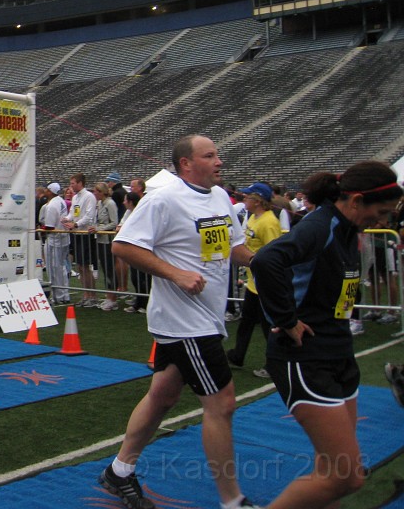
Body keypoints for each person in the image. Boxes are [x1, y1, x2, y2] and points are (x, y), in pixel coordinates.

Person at [101, 135, 257, 509]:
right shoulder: (163, 198)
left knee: (163, 396)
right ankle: (233, 501)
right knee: (222, 404)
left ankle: (118, 472)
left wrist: (271, 261)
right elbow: (123, 245)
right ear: (186, 164)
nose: (220, 161)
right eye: (210, 155)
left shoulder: (220, 198)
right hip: (185, 322)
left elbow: (234, 249)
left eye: (217, 154)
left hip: (206, 318)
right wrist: (176, 274)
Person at [251, 162, 402, 509]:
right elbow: (266, 262)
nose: (382, 222)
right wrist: (287, 319)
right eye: (379, 213)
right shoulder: (321, 226)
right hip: (305, 357)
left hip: (339, 353)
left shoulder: (348, 229)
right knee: (347, 476)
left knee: (330, 468)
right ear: (357, 200)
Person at [225, 182, 283, 376]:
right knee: (247, 321)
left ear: (258, 201)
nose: (244, 199)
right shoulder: (254, 218)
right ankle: (237, 355)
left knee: (268, 326)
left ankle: (274, 363)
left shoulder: (269, 222)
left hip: (264, 282)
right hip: (253, 281)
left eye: (248, 197)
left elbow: (274, 252)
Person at [63, 173, 98, 307]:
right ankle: (86, 294)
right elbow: (73, 212)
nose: (71, 186)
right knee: (80, 266)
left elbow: (89, 216)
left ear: (80, 183)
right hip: (77, 234)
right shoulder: (76, 197)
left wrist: (76, 224)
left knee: (85, 266)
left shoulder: (89, 196)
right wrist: (67, 219)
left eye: (73, 183)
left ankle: (92, 295)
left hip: (85, 234)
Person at [40, 182, 71, 305]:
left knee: (53, 269)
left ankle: (57, 296)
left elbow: (49, 226)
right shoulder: (61, 201)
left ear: (50, 191)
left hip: (55, 240)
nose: (45, 191)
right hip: (63, 238)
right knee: (61, 267)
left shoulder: (51, 205)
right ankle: (65, 294)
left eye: (47, 190)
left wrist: (41, 230)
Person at [91, 182, 120, 311]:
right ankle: (109, 295)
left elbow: (114, 222)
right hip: (101, 239)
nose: (94, 194)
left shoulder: (110, 203)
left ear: (102, 192)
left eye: (96, 191)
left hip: (108, 239)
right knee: (104, 267)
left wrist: (100, 228)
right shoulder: (100, 203)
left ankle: (113, 298)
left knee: (109, 268)